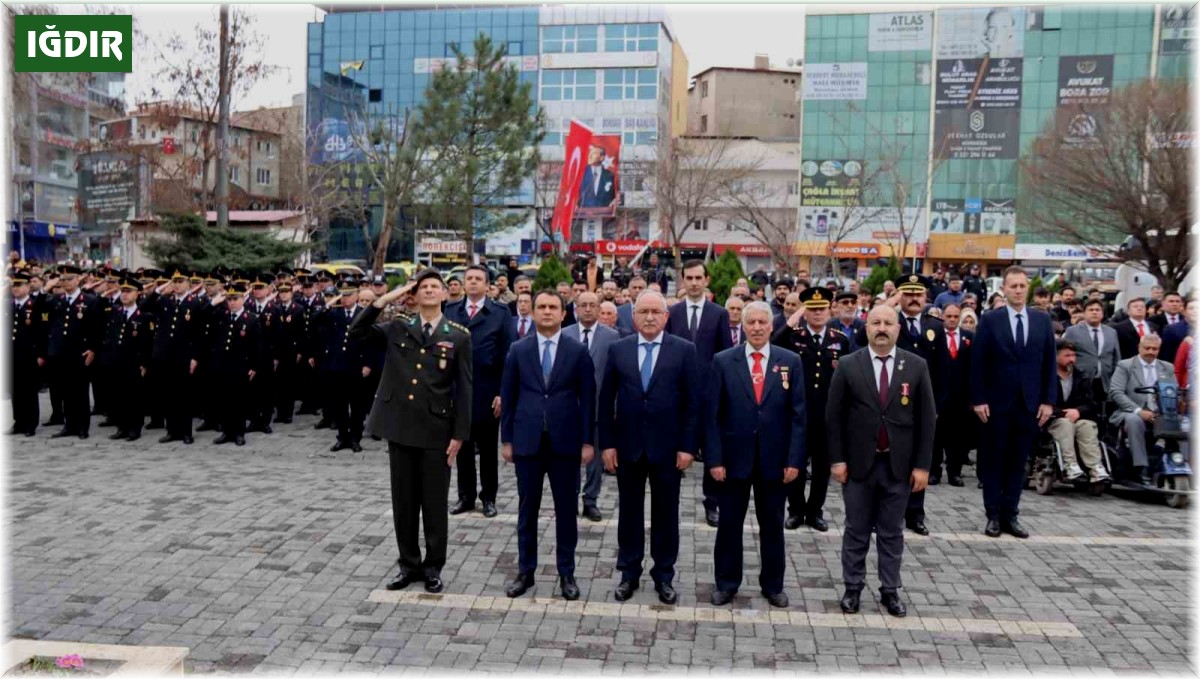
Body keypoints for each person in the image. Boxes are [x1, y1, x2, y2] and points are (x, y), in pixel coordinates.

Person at [351, 271, 472, 595]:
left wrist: (459, 435)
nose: (429, 290)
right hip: (401, 428)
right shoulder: (399, 327)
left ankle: (433, 567)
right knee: (404, 504)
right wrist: (386, 298)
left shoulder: (458, 335)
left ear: (445, 295)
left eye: (435, 286)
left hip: (436, 431)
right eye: (423, 287)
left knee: (434, 505)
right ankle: (408, 564)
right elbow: (357, 331)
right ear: (414, 295)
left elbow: (463, 389)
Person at [828, 304, 933, 618]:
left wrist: (923, 466)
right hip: (859, 466)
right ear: (867, 327)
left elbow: (927, 420)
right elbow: (833, 418)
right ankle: (852, 588)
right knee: (856, 530)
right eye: (876, 322)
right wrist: (837, 460)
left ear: (898, 329)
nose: (882, 328)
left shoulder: (916, 366)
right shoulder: (848, 364)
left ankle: (890, 590)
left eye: (889, 322)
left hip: (898, 467)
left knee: (892, 533)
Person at [598, 290, 699, 605]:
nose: (650, 317)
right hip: (628, 447)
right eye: (644, 312)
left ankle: (664, 575)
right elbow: (605, 401)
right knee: (629, 514)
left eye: (657, 311)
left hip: (668, 450)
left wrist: (687, 447)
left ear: (667, 316)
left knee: (666, 515)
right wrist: (607, 445)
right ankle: (629, 573)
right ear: (634, 315)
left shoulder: (684, 350)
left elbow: (694, 404)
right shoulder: (618, 350)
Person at [706, 301, 804, 608]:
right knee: (729, 525)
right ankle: (726, 583)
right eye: (752, 323)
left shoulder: (790, 361)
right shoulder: (723, 361)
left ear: (772, 325)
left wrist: (794, 459)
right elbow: (712, 415)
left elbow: (799, 415)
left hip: (775, 462)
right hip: (733, 461)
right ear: (743, 327)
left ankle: (773, 585)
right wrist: (715, 459)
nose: (758, 328)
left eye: (763, 322)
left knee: (773, 525)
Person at [500, 290, 594, 601]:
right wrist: (507, 439)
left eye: (553, 307)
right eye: (541, 307)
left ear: (564, 313)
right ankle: (526, 570)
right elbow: (509, 397)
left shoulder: (578, 351)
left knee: (567, 511)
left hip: (565, 444)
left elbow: (588, 401)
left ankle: (566, 572)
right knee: (528, 510)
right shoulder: (518, 349)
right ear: (532, 312)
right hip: (527, 443)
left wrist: (587, 442)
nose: (547, 312)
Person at [970, 266, 1057, 539]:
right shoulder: (990, 320)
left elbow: (1049, 363)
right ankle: (993, 515)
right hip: (996, 403)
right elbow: (978, 363)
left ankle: (1011, 514)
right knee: (994, 460)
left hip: (1029, 404)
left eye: (1022, 286)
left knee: (1018, 462)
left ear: (1027, 288)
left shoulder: (1042, 320)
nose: (1018, 290)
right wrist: (978, 398)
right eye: (1013, 286)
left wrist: (1048, 401)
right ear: (1004, 289)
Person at [772, 288, 849, 532]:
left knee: (821, 467)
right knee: (794, 462)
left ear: (830, 310)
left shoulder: (840, 339)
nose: (817, 313)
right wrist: (792, 320)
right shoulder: (794, 336)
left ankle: (815, 511)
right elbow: (773, 343)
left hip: (826, 415)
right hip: (797, 413)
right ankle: (795, 511)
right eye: (812, 309)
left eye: (821, 309)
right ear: (805, 311)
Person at [665, 260, 733, 527]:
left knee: (711, 447)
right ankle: (671, 500)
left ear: (706, 280)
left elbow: (725, 353)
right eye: (689, 278)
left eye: (698, 278)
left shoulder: (719, 314)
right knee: (675, 447)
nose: (693, 283)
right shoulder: (673, 312)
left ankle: (712, 502)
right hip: (677, 394)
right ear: (682, 280)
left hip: (708, 394)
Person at [446, 265, 514, 518]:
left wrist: (502, 392)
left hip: (487, 390)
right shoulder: (451, 309)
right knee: (461, 446)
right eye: (469, 279)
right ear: (464, 283)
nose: (473, 283)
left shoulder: (500, 312)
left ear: (487, 285)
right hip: (457, 390)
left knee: (487, 450)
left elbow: (508, 353)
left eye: (478, 279)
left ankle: (489, 498)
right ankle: (465, 496)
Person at [888, 275, 948, 534]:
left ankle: (915, 513)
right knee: (894, 459)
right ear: (899, 295)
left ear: (925, 297)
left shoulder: (935, 325)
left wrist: (937, 406)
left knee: (920, 458)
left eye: (918, 294)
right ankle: (893, 511)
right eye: (908, 293)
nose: (913, 298)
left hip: (924, 405)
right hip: (892, 404)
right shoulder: (890, 321)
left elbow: (944, 370)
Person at [563, 291, 619, 522]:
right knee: (569, 457)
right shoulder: (564, 334)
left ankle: (591, 500)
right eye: (583, 305)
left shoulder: (613, 336)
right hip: (569, 407)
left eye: (592, 305)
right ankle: (570, 498)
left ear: (599, 309)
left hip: (599, 407)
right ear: (575, 308)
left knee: (595, 458)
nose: (588, 309)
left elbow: (615, 374)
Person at [44, 264, 104, 440]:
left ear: (79, 279)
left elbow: (98, 330)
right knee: (65, 392)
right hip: (61, 353)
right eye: (62, 279)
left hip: (80, 353)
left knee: (80, 392)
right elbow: (40, 306)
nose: (65, 282)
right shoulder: (56, 300)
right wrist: (46, 287)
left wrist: (93, 349)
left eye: (69, 278)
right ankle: (69, 425)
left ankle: (82, 427)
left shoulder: (90, 301)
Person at [1109, 333, 1177, 485]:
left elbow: (1173, 392)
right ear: (1139, 347)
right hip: (1129, 412)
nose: (1151, 352)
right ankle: (1141, 467)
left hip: (1159, 413)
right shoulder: (1125, 365)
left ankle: (1177, 464)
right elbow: (1116, 392)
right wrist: (1138, 411)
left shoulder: (1167, 367)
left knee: (1184, 422)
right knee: (1135, 420)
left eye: (1155, 349)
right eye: (1147, 348)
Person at [313, 283, 371, 453]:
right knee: (339, 405)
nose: (345, 299)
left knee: (357, 406)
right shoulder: (334, 313)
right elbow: (315, 319)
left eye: (348, 295)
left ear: (356, 296)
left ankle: (355, 438)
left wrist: (368, 363)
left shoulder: (363, 313)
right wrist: (330, 303)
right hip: (337, 366)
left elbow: (370, 341)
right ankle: (342, 437)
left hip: (356, 365)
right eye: (342, 295)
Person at [97, 274, 153, 441]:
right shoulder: (114, 312)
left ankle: (134, 428)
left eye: (129, 292)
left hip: (133, 363)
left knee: (133, 397)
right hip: (115, 361)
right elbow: (97, 312)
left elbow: (147, 343)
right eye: (123, 291)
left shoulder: (143, 316)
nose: (125, 295)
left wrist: (144, 363)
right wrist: (102, 297)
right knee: (117, 396)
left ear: (137, 294)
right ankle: (121, 427)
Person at [208, 282, 263, 446]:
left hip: (241, 366)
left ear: (243, 299)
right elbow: (203, 314)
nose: (231, 302)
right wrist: (215, 302)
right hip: (222, 365)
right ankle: (227, 431)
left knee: (238, 401)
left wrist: (254, 366)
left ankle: (239, 432)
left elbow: (258, 346)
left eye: (235, 298)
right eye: (229, 299)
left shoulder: (251, 319)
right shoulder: (221, 315)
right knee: (224, 400)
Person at [1048, 340, 1108, 483]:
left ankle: (1095, 468)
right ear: (1055, 357)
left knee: (1087, 426)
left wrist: (1078, 411)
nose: (1071, 359)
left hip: (1078, 418)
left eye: (1073, 356)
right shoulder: (1046, 377)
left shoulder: (1081, 376)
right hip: (1053, 419)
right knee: (1065, 424)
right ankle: (1070, 465)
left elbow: (1091, 403)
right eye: (1067, 356)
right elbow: (1042, 403)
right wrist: (1063, 413)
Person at [935, 304, 973, 486]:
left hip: (961, 398)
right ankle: (934, 471)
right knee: (936, 436)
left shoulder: (969, 338)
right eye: (948, 316)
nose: (951, 319)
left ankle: (954, 473)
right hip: (939, 396)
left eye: (955, 316)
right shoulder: (934, 336)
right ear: (942, 316)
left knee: (957, 438)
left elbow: (974, 369)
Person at [8, 270, 45, 437]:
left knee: (29, 390)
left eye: (19, 285)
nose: (15, 289)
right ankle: (19, 421)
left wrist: (41, 355)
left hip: (30, 355)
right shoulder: (9, 305)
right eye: (13, 285)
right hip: (12, 355)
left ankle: (31, 423)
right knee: (15, 390)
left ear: (28, 287)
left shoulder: (35, 305)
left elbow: (42, 332)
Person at [266, 279, 305, 424]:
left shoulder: (298, 309)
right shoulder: (275, 308)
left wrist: (300, 351)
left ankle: (288, 413)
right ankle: (280, 412)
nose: (283, 295)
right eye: (281, 292)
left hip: (291, 350)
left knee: (289, 383)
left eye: (286, 292)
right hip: (278, 350)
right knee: (278, 383)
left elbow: (302, 332)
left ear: (291, 293)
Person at [1063, 299, 1120, 390]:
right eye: (1091, 310)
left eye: (1097, 310)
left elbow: (1116, 357)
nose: (1094, 312)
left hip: (1105, 382)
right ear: (1084, 313)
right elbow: (1064, 356)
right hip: (1080, 382)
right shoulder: (1072, 331)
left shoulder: (1111, 332)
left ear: (1102, 314)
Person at [579, 143, 617, 209]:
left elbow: (614, 195)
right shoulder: (581, 174)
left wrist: (614, 201)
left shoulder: (610, 175)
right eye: (590, 153)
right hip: (582, 214)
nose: (590, 155)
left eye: (594, 153)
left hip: (604, 214)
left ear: (602, 158)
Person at [1158, 298, 1194, 364]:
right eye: (1191, 308)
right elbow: (1166, 355)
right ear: (1184, 311)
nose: (1195, 311)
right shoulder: (1171, 329)